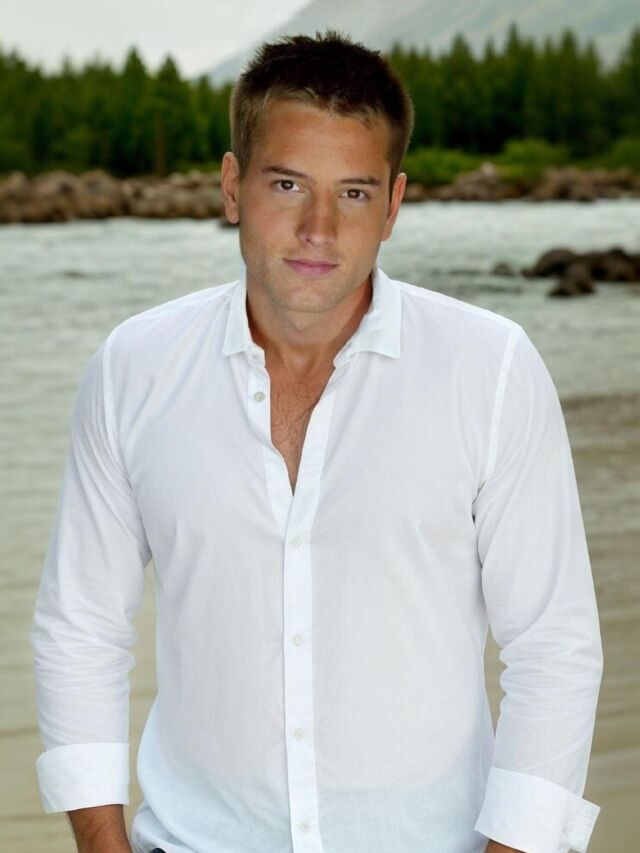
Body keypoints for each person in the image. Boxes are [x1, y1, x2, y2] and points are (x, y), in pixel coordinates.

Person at [31, 29, 603, 853]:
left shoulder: (493, 371)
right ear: (232, 186)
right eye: (288, 183)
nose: (319, 228)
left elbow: (553, 647)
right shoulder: (134, 369)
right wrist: (101, 842)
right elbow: (80, 626)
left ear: (394, 206)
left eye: (354, 193)